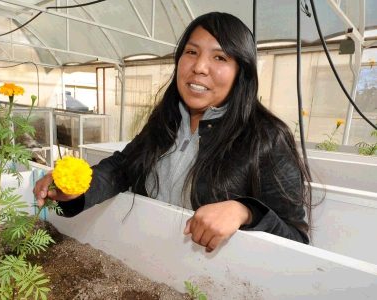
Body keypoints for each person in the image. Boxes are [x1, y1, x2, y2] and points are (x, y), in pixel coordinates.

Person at [34, 12, 312, 252]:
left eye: (219, 57)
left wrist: (245, 211)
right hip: (152, 259)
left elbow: (297, 239)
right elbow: (123, 167)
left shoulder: (266, 137)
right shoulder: (166, 120)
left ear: (242, 71)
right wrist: (77, 189)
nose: (199, 67)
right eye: (191, 52)